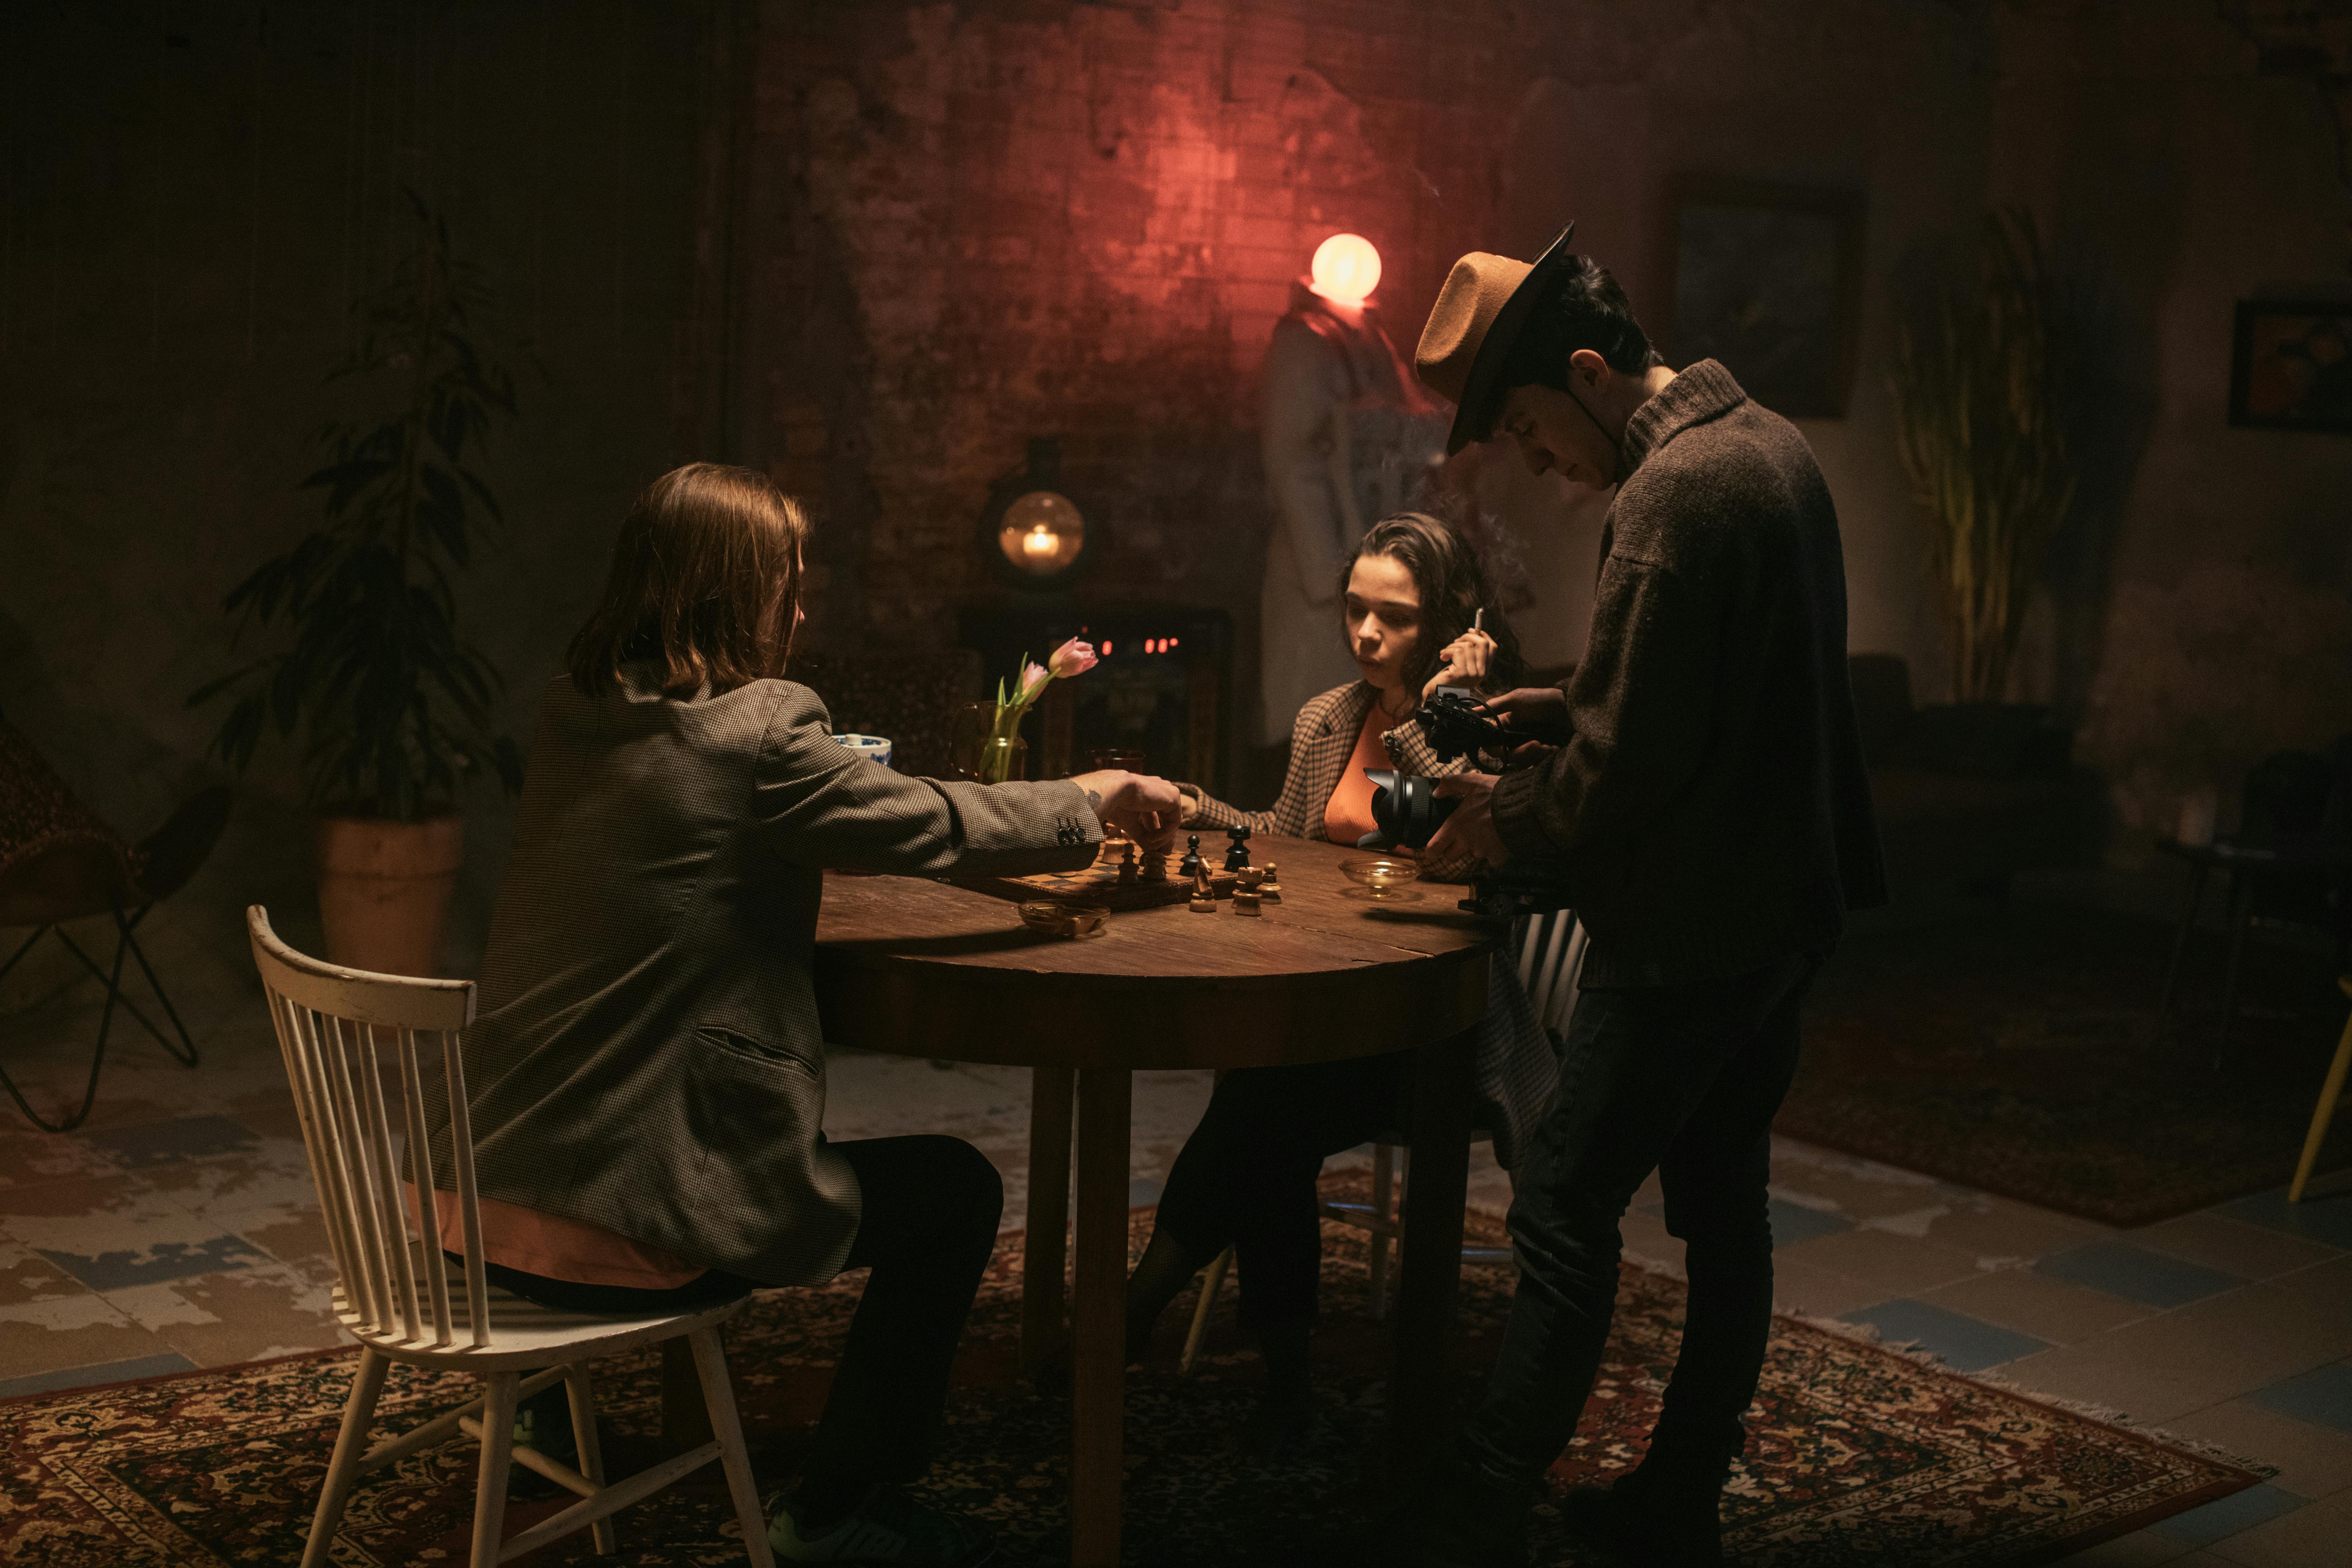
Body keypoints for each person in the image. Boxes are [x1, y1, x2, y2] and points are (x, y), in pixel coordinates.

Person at [413, 463, 1181, 1567]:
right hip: (613, 1219)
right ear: (734, 595)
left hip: (473, 1200)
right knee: (958, 1190)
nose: (802, 607)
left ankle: (538, 1405)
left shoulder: (576, 705)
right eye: (787, 580)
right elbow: (932, 821)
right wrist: (1091, 798)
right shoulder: (764, 733)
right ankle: (836, 1511)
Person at [1375, 234, 1887, 1567]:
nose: (1544, 467)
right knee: (1725, 1210)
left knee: (1558, 1201)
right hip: (1783, 906)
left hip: (1690, 927)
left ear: (1591, 373)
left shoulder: (1669, 497)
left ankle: (1481, 1492)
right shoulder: (1769, 445)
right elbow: (1704, 693)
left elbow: (1627, 775)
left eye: (1538, 436)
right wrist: (1552, 702)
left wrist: (1506, 821)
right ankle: (1678, 1500)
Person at [1115, 511, 1556, 1451]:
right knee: (1272, 1104)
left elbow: (1477, 851)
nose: (1364, 635)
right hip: (1326, 1006)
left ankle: (1150, 1302)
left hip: (1437, 1022)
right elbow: (1283, 833)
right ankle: (1282, 1378)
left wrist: (1436, 712)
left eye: (1391, 619)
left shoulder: (1495, 730)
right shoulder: (1327, 717)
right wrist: (1196, 807)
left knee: (1267, 1100)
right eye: (1355, 611)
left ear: (1444, 624)